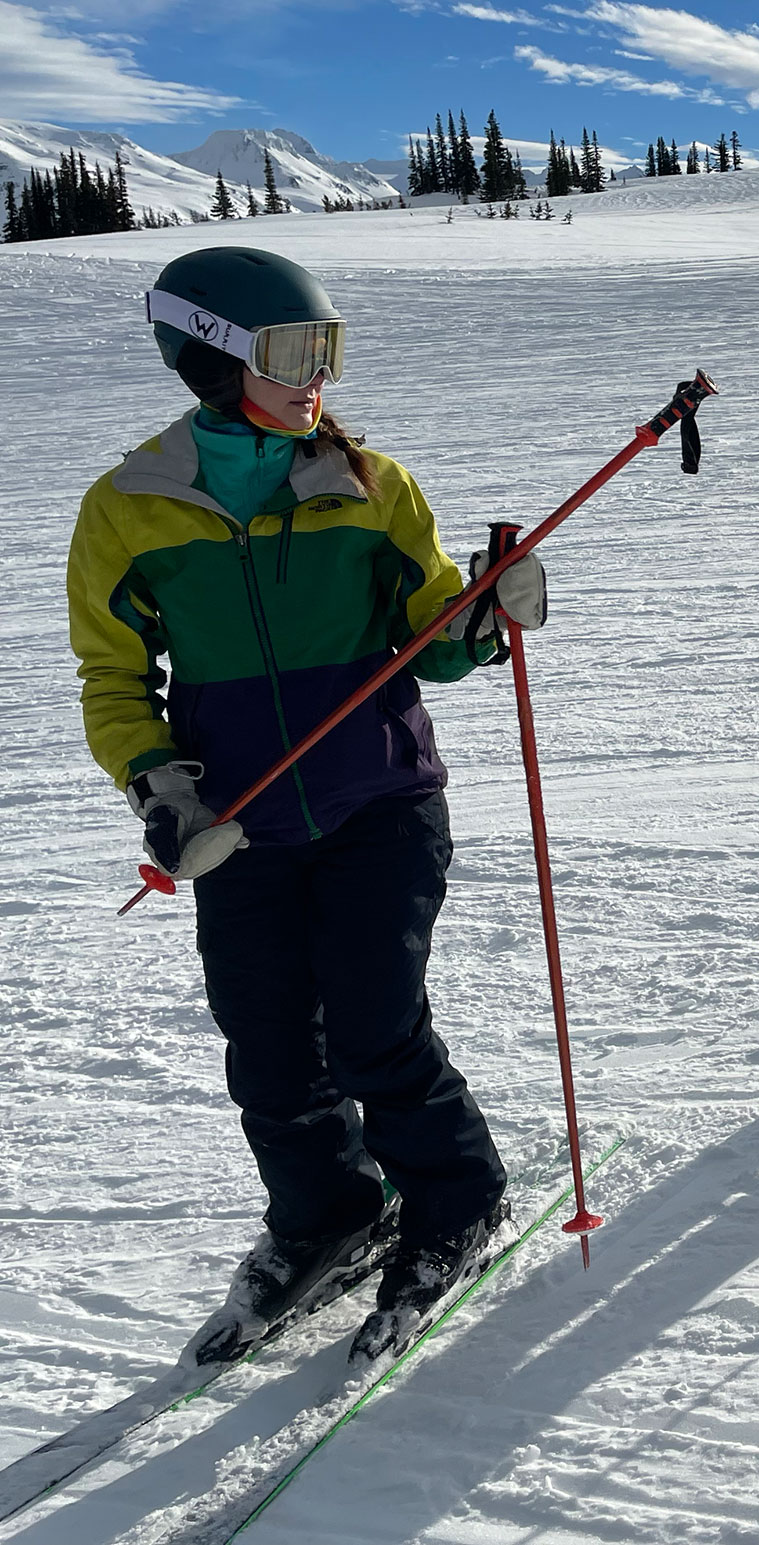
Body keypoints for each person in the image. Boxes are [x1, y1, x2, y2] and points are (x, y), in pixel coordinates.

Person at [66, 247, 540, 1362]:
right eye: (289, 353)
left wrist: (483, 614)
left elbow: (435, 642)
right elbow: (112, 676)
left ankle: (454, 1200)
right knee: (271, 1048)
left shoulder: (372, 485)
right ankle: (330, 1212)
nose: (314, 376)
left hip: (380, 801)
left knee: (376, 1030)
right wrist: (160, 788)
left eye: (325, 350)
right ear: (211, 358)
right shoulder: (129, 508)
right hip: (243, 826)